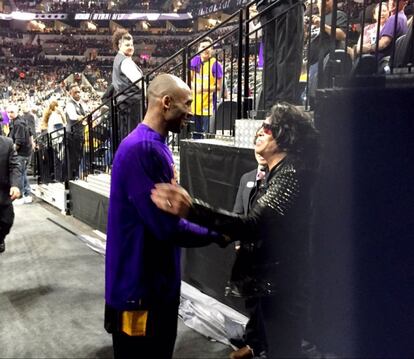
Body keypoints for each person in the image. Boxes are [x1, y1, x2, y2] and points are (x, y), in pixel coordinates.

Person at [151, 102, 320, 358]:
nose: (260, 131)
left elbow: (254, 225)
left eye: (268, 127)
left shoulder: (291, 173)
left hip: (284, 290)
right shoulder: (281, 173)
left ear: (286, 134)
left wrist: (192, 210)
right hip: (276, 287)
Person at [104, 73, 226, 359]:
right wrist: (219, 233)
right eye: (187, 103)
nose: (191, 112)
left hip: (148, 287)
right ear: (167, 102)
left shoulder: (149, 144)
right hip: (141, 292)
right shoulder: (144, 148)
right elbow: (167, 227)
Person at [229, 142, 269, 359]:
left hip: (267, 253)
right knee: (252, 301)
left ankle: (260, 344)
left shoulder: (278, 180)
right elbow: (238, 212)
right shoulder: (246, 178)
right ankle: (255, 343)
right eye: (257, 147)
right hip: (247, 252)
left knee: (268, 303)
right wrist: (237, 244)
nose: (260, 153)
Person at [257, 0, 304, 111]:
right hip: (286, 4)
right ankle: (283, 108)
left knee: (270, 58)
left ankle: (269, 109)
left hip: (264, 7)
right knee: (287, 53)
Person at [111, 29, 143, 141]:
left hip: (125, 102)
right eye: (127, 45)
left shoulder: (118, 59)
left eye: (132, 44)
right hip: (132, 102)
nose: (131, 47)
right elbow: (139, 82)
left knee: (126, 134)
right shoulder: (125, 61)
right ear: (119, 45)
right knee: (133, 135)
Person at [190, 37, 223, 138]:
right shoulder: (195, 61)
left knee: (207, 136)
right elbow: (190, 80)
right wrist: (194, 87)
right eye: (203, 47)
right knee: (195, 135)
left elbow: (218, 87)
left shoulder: (216, 65)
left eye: (208, 47)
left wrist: (203, 88)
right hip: (194, 105)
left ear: (212, 49)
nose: (206, 49)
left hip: (208, 106)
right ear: (199, 49)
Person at [8, 104, 33, 204]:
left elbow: (19, 142)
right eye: (8, 112)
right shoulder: (19, 121)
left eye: (12, 112)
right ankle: (27, 194)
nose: (10, 114)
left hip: (21, 153)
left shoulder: (18, 123)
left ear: (16, 112)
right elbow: (30, 134)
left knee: (20, 174)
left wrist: (11, 152)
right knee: (23, 173)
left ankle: (21, 196)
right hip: (25, 152)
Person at [0, 135, 21, 253]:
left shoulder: (7, 143)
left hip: (2, 192)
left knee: (7, 221)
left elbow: (14, 166)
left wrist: (15, 185)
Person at [65, 84, 86, 179]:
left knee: (79, 156)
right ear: (70, 93)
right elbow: (73, 116)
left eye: (79, 92)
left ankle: (76, 176)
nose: (78, 94)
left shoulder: (80, 104)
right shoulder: (69, 104)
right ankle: (72, 178)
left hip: (79, 134)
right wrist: (82, 117)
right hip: (72, 135)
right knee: (73, 158)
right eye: (75, 92)